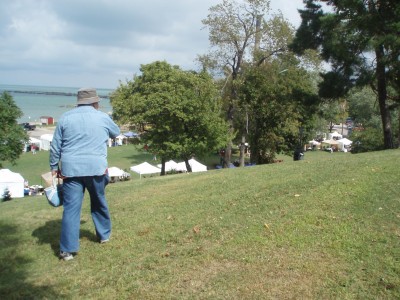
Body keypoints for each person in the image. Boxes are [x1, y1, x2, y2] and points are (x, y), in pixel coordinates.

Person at [50, 87, 120, 261]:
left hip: (71, 169)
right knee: (98, 201)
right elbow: (116, 132)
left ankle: (67, 250)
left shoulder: (65, 117)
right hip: (96, 167)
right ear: (95, 102)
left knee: (71, 209)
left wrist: (53, 165)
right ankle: (104, 235)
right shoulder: (102, 117)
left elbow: (55, 145)